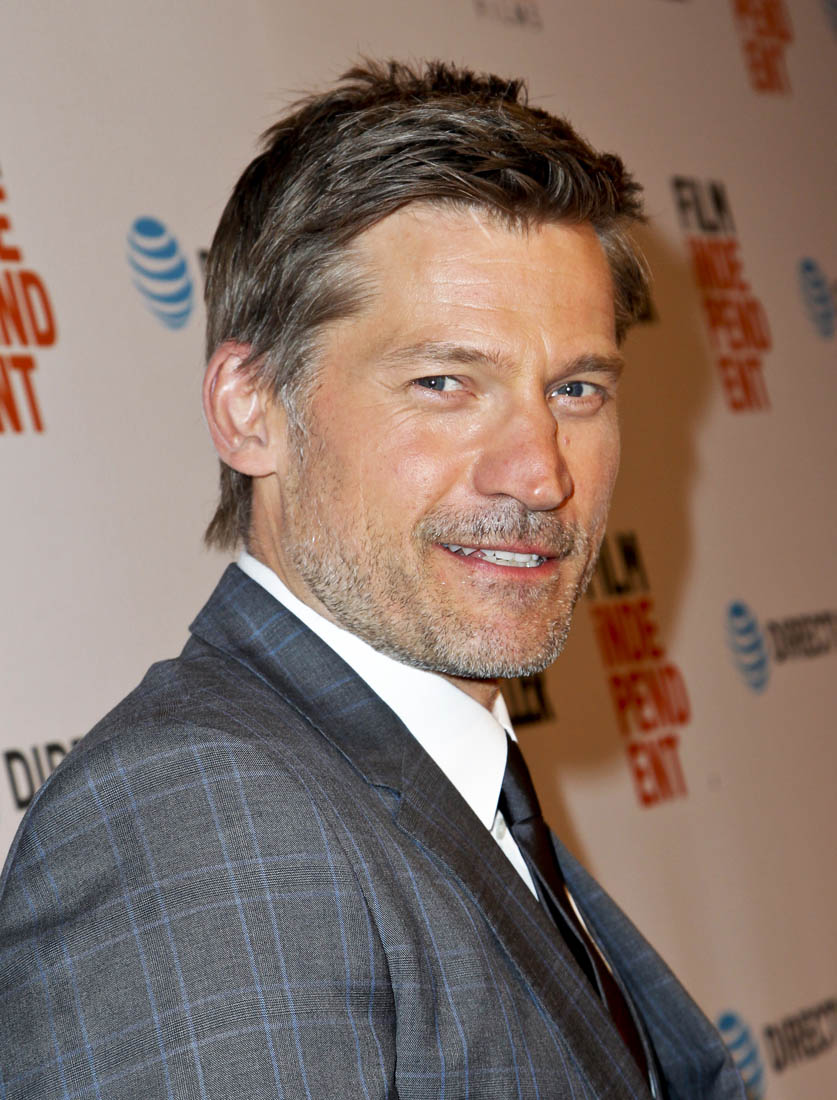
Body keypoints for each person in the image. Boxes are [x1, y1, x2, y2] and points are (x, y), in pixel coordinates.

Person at [0, 61, 744, 1099]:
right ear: (251, 407)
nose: (541, 472)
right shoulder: (203, 822)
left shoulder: (442, 782)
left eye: (575, 388)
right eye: (444, 382)